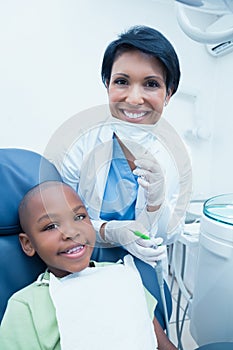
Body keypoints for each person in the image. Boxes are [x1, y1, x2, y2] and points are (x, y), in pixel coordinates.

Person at [47, 25, 192, 329]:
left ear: (168, 95)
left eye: (151, 84)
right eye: (122, 82)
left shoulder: (176, 157)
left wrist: (156, 204)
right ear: (107, 86)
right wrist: (112, 232)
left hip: (142, 263)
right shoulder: (78, 144)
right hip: (81, 259)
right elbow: (62, 223)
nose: (135, 98)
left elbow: (169, 234)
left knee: (150, 325)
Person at [0, 181, 177, 350]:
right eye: (51, 226)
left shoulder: (123, 275)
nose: (71, 232)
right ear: (28, 244)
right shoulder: (26, 307)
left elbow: (163, 345)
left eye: (79, 217)